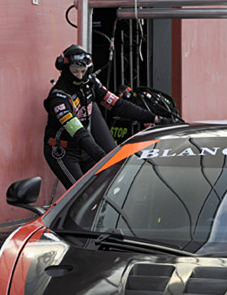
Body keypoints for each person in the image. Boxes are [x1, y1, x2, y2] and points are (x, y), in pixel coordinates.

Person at [43, 44, 162, 188]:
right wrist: (103, 157)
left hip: (84, 148)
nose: (80, 76)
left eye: (83, 71)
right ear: (64, 69)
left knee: (104, 189)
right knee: (80, 196)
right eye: (75, 71)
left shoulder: (91, 83)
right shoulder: (58, 98)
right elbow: (78, 133)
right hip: (63, 152)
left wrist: (155, 118)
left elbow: (119, 106)